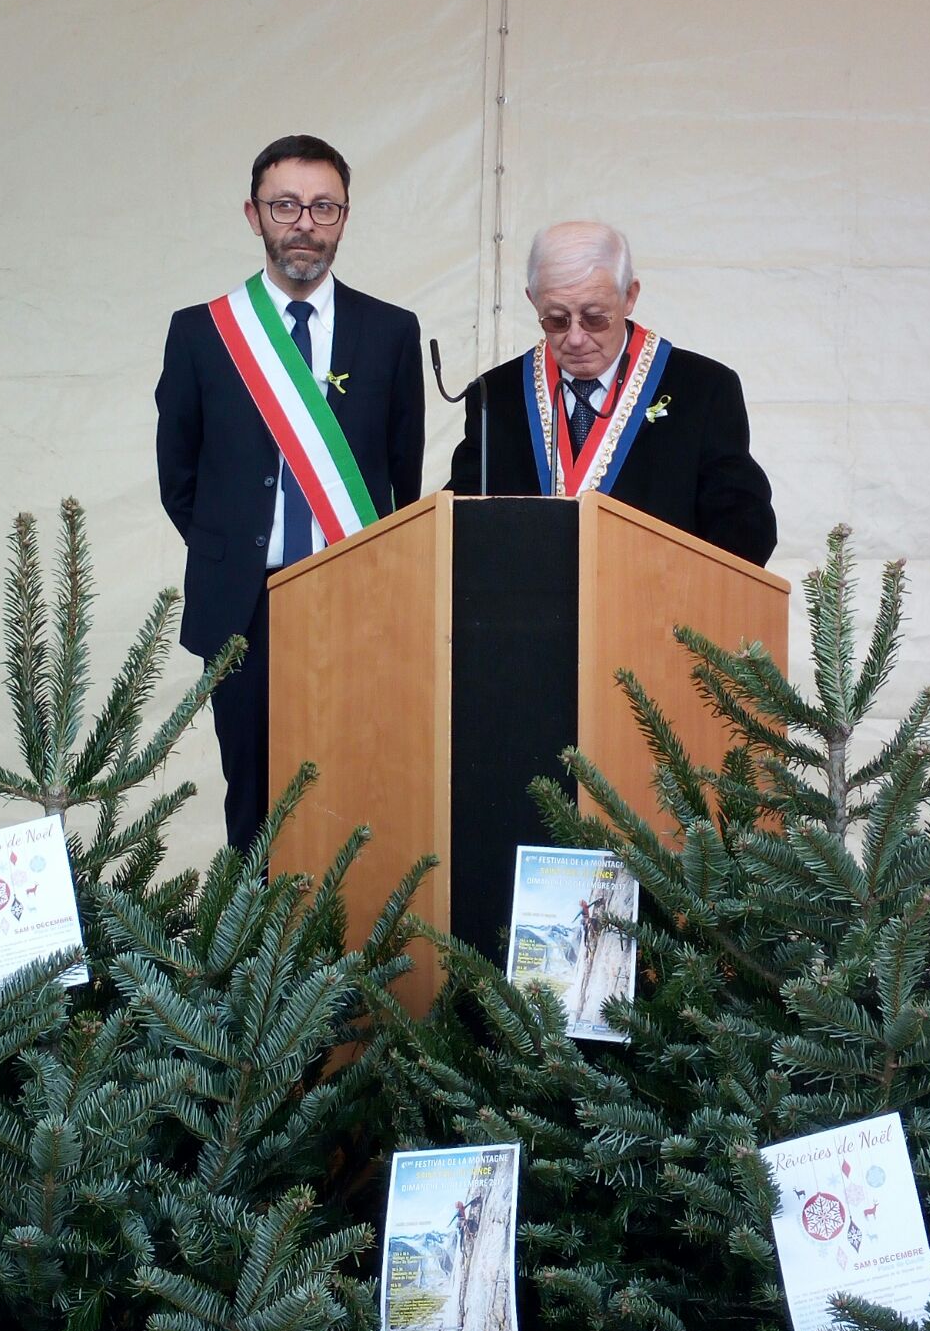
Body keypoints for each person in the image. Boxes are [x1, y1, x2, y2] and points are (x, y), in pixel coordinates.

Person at [156, 135, 425, 853]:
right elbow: (178, 476)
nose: (304, 223)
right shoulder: (201, 333)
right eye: (285, 206)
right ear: (254, 215)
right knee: (253, 792)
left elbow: (403, 475)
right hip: (243, 602)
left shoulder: (392, 331)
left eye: (323, 207)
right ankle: (252, 925)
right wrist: (237, 550)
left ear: (344, 218)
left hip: (354, 597)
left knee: (358, 783)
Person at [448, 220, 775, 566]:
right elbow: (454, 522)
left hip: (661, 594)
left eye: (594, 318)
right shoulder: (495, 395)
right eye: (556, 320)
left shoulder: (703, 388)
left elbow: (745, 527)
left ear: (629, 296)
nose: (575, 338)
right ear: (532, 300)